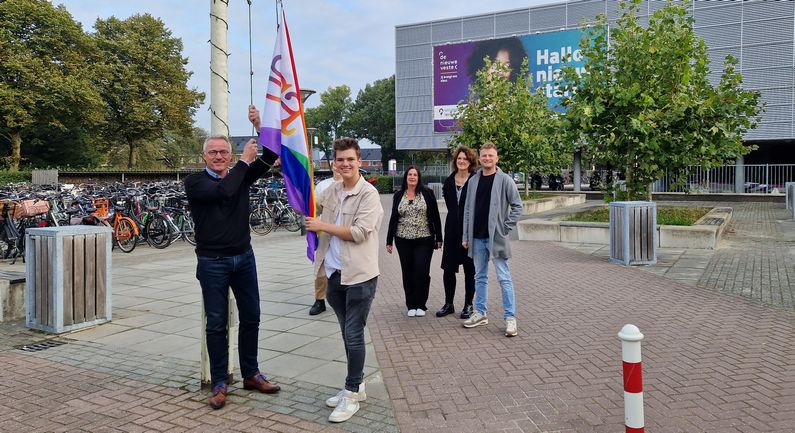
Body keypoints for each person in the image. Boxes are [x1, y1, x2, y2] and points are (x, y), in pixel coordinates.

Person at [184, 105, 282, 410]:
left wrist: (259, 125)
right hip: (212, 262)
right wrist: (243, 162)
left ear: (229, 154)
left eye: (223, 151)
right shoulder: (195, 182)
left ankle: (251, 373)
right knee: (216, 323)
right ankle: (219, 382)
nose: (218, 156)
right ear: (204, 157)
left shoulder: (240, 175)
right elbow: (224, 192)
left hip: (244, 258)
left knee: (252, 315)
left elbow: (269, 157)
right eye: (213, 152)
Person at [305, 137, 383, 423]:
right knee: (346, 334)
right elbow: (304, 202)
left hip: (360, 277)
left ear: (359, 161)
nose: (346, 164)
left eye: (351, 159)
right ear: (334, 164)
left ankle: (351, 393)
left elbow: (361, 232)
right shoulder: (332, 191)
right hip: (335, 274)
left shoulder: (369, 194)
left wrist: (322, 225)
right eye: (340, 160)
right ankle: (357, 385)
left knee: (353, 334)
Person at [461, 142, 523, 337]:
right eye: (484, 156)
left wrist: (504, 228)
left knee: (504, 278)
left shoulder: (505, 180)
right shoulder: (473, 181)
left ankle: (510, 318)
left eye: (490, 156)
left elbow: (517, 206)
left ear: (497, 158)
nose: (487, 158)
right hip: (477, 238)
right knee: (479, 277)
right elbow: (468, 210)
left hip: (496, 238)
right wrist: (465, 236)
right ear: (479, 158)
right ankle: (480, 313)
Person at [385, 166, 443, 317]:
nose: (412, 177)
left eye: (415, 175)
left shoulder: (427, 193)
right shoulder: (398, 195)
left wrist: (439, 237)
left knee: (422, 271)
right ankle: (411, 304)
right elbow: (393, 218)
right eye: (409, 174)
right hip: (402, 240)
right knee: (408, 272)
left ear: (418, 178)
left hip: (424, 239)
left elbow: (436, 216)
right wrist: (389, 240)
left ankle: (421, 304)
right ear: (406, 177)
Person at [436, 146, 478, 319]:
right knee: (448, 269)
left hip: (470, 231)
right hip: (452, 230)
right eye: (459, 159)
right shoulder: (448, 181)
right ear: (455, 161)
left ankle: (468, 304)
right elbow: (451, 207)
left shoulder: (476, 180)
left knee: (470, 270)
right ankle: (449, 304)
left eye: (465, 159)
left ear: (470, 162)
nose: (461, 161)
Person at [308, 165, 342, 316]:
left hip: (343, 233)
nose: (339, 167)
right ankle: (319, 300)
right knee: (320, 268)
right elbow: (313, 208)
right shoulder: (323, 185)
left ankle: (344, 298)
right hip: (324, 231)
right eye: (337, 162)